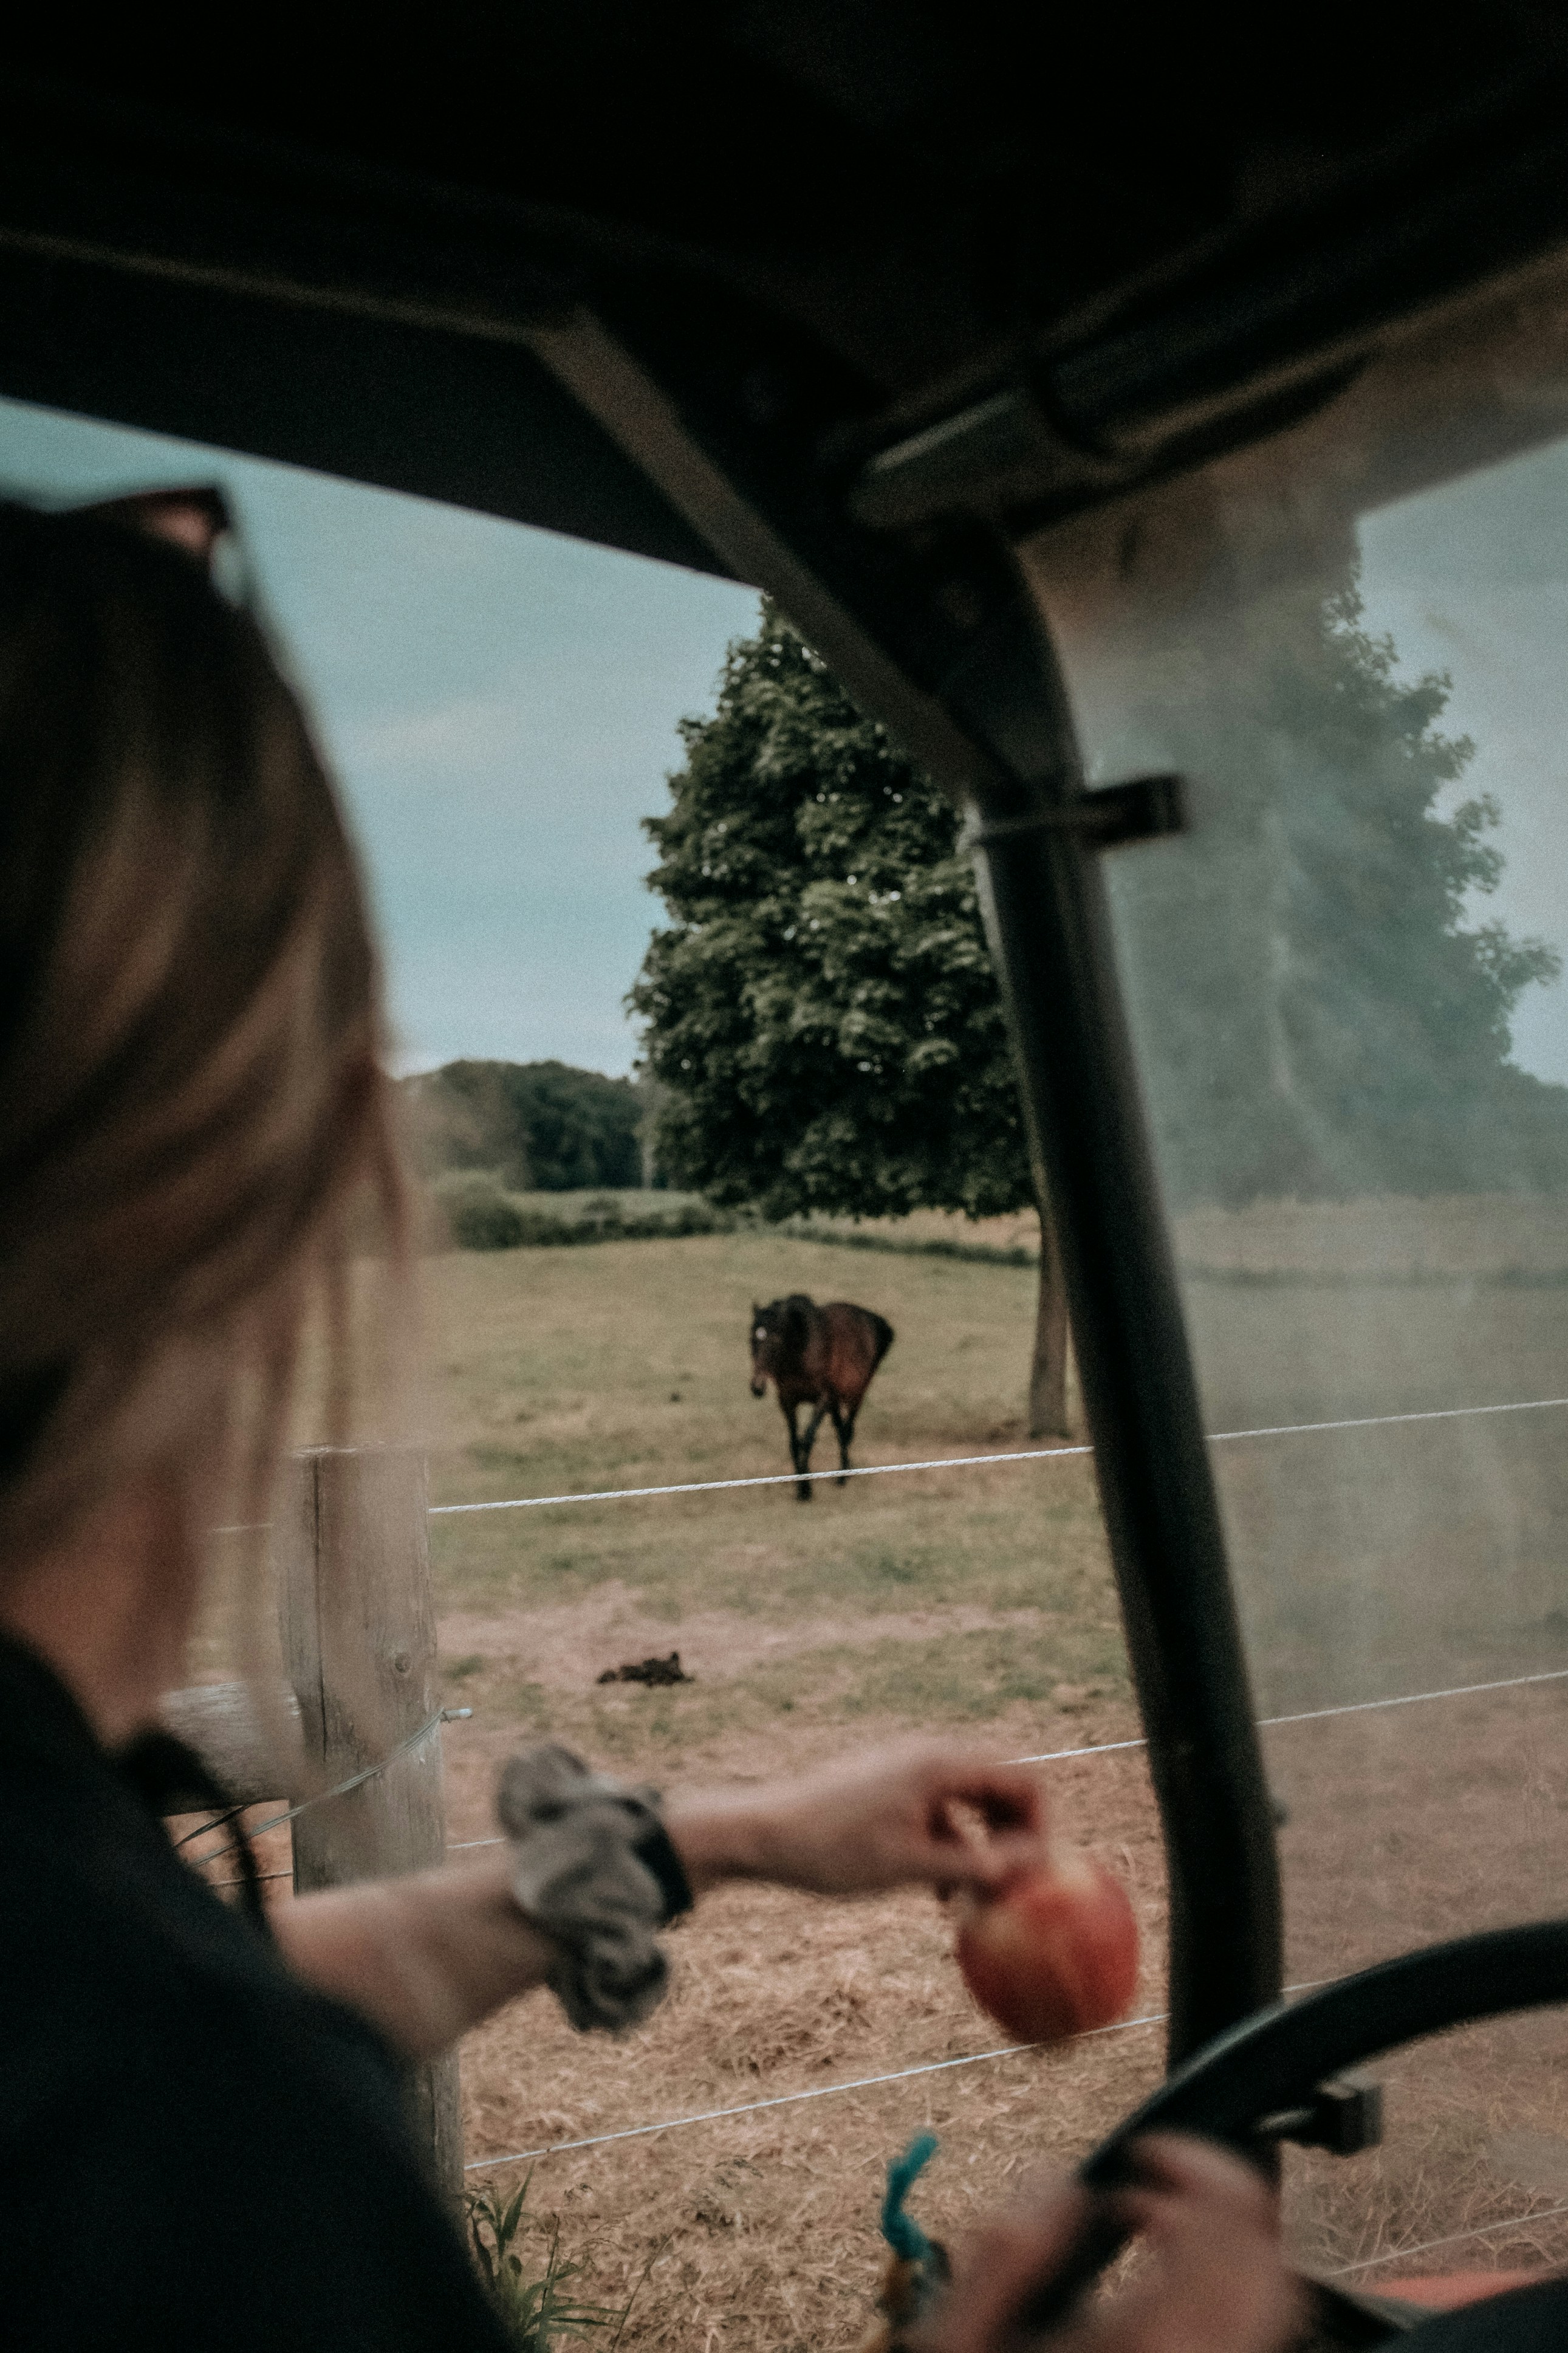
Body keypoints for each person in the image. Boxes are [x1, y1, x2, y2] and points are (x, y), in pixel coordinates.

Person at [5, 492, 1546, 2353]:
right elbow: (180, 2034)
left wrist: (721, 1835)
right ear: (271, 1179)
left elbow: (227, 1972)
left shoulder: (80, 1945)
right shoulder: (207, 2193)